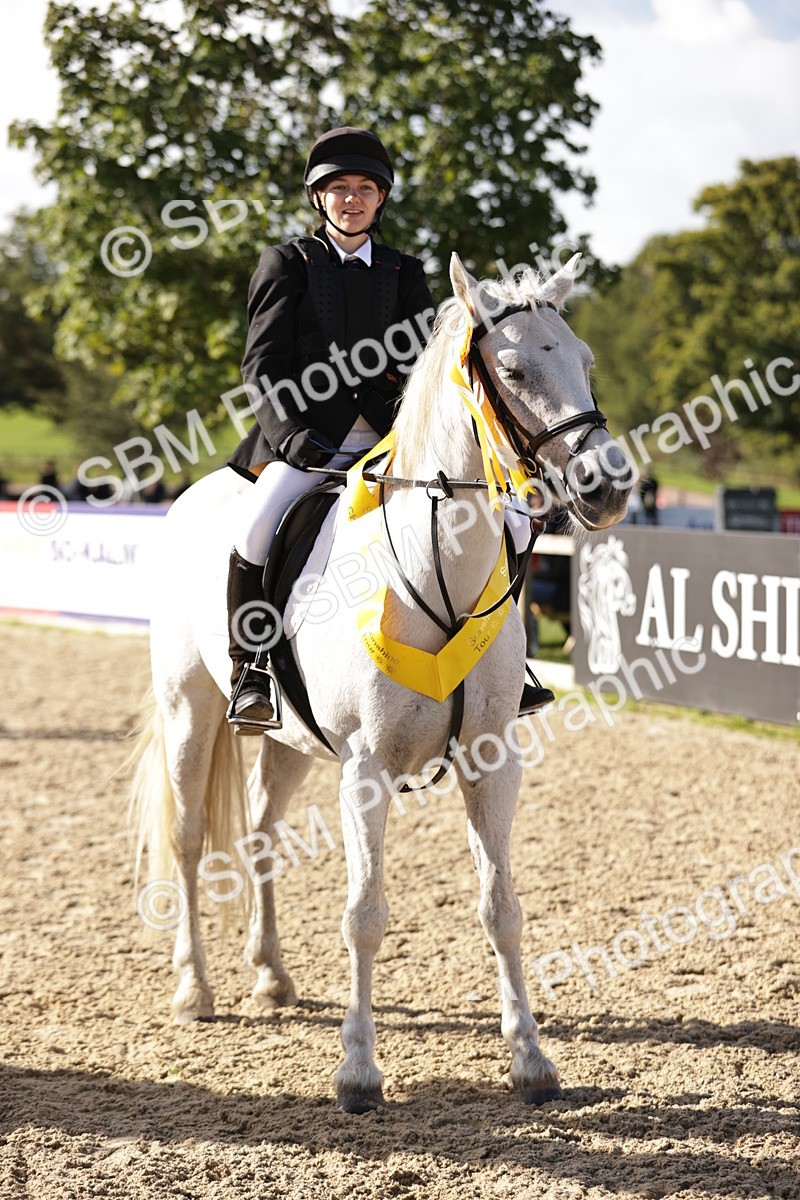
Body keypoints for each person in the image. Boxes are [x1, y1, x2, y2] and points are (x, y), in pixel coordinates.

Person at [225, 126, 551, 732]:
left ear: (380, 200)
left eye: (366, 189)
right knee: (256, 525)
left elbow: (424, 367)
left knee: (512, 517)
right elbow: (261, 367)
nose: (353, 199)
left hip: (390, 441)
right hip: (305, 442)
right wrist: (290, 436)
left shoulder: (404, 270)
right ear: (319, 197)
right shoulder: (288, 263)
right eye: (340, 188)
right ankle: (253, 671)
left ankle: (513, 663)